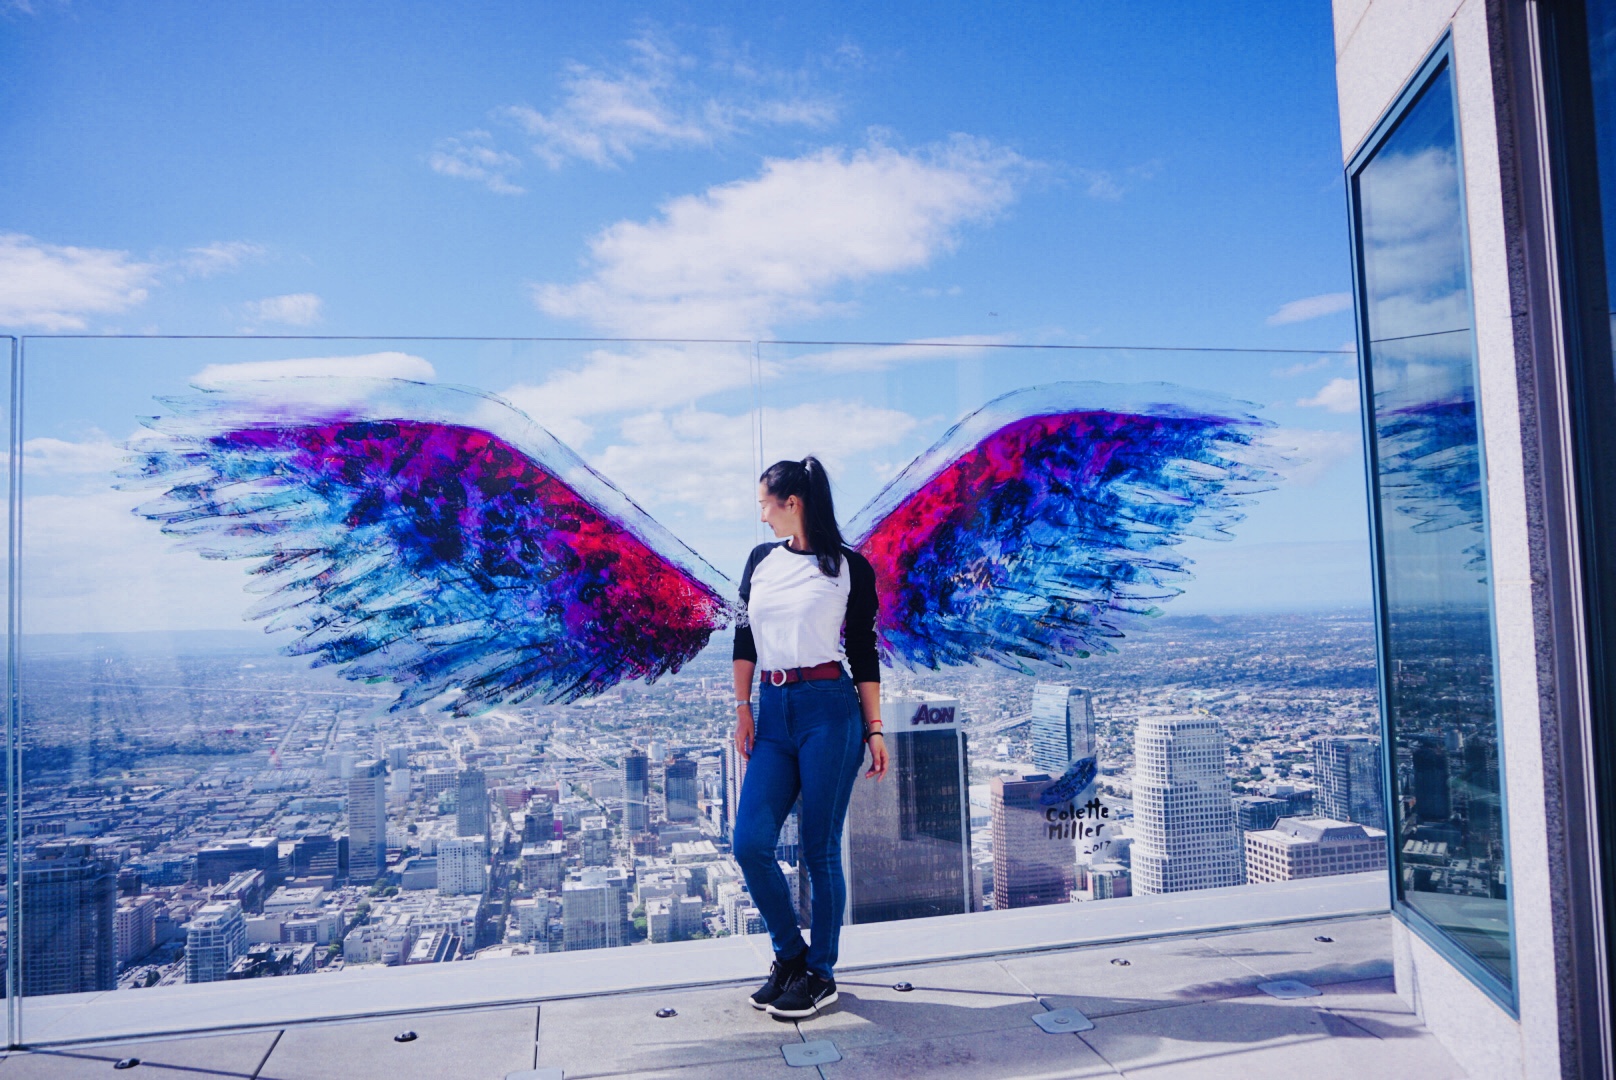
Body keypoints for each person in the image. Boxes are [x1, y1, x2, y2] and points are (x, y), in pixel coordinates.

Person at [731, 456, 888, 1020]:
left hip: (829, 710)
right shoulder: (759, 562)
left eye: (764, 504)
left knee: (820, 850)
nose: (762, 515)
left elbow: (865, 652)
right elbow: (743, 639)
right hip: (772, 714)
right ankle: (790, 956)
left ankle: (821, 973)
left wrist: (874, 728)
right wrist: (743, 709)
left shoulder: (850, 568)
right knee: (749, 843)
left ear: (791, 503)